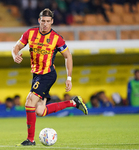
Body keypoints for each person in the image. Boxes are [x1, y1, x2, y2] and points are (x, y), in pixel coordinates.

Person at [12, 8, 88, 146]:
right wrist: (15, 55)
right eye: (43, 21)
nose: (45, 24)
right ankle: (73, 102)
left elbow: (68, 56)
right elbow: (16, 47)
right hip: (36, 75)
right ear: (39, 20)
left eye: (48, 21)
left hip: (48, 74)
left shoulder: (57, 38)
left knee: (29, 102)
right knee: (40, 111)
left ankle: (31, 140)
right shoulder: (30, 33)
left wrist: (69, 78)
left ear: (52, 22)